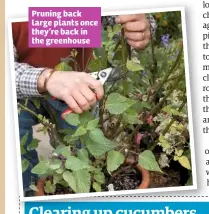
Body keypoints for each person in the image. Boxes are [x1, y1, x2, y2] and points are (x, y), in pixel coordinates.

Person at [13, 14, 156, 196]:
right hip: (19, 88)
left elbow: (128, 16)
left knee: (82, 149)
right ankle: (25, 195)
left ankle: (80, 195)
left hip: (78, 83)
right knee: (13, 144)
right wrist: (47, 78)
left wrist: (141, 25)